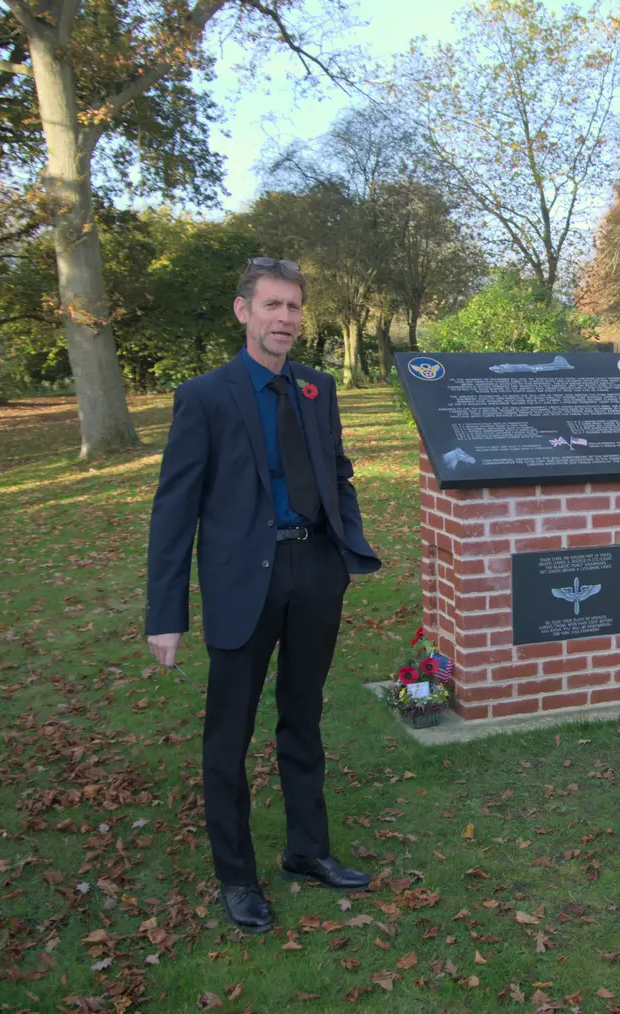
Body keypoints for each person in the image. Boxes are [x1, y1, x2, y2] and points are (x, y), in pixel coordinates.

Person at [144, 257, 382, 932]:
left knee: (302, 721)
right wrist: (166, 613)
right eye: (272, 305)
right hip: (240, 582)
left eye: (295, 307)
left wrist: (344, 547)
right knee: (229, 737)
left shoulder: (317, 387)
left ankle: (308, 851)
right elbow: (174, 510)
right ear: (243, 310)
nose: (285, 319)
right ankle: (237, 877)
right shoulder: (205, 396)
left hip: (313, 574)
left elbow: (337, 469)